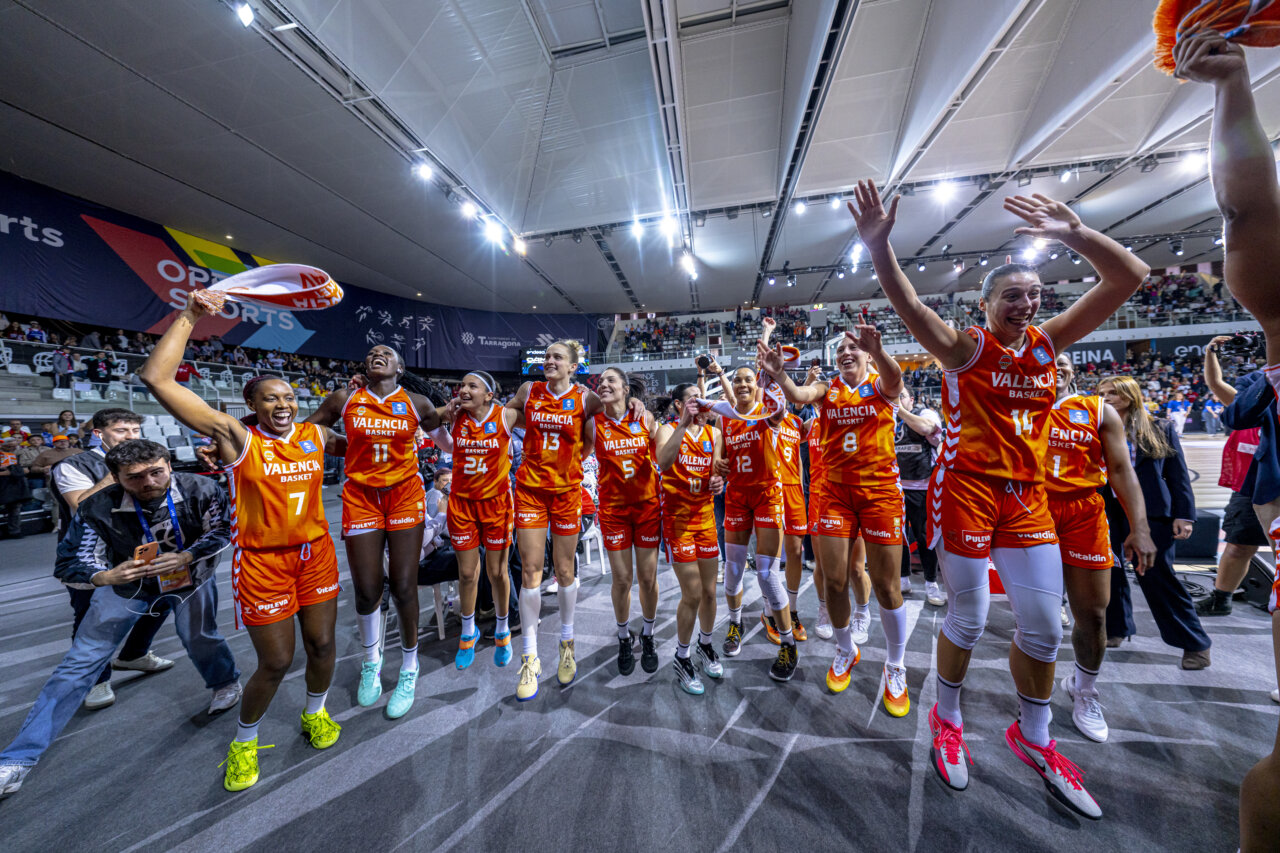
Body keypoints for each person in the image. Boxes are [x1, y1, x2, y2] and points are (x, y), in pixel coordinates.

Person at [849, 177, 1148, 818]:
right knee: (970, 617)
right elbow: (910, 307)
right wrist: (878, 247)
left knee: (1043, 626)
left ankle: (1033, 736)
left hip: (1026, 496)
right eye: (1012, 295)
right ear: (986, 304)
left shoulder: (1047, 345)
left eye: (1033, 294)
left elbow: (1130, 276)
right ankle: (947, 718)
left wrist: (1076, 234)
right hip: (964, 491)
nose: (1026, 303)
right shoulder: (965, 349)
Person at [139, 292, 346, 793]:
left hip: (316, 556)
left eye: (289, 397)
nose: (283, 404)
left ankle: (315, 712)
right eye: (270, 398)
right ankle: (245, 742)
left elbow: (372, 435)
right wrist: (191, 315)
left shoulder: (316, 436)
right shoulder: (236, 437)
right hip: (262, 563)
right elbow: (157, 379)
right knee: (276, 662)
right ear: (250, 405)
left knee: (323, 646)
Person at [0, 440, 242, 798]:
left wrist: (188, 556)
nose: (148, 483)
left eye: (156, 472)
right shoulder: (97, 506)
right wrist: (103, 576)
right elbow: (71, 561)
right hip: (126, 586)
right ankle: (16, 760)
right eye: (135, 477)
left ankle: (225, 682)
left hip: (191, 577)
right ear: (115, 477)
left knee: (199, 636)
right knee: (79, 663)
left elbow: (222, 531)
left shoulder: (202, 488)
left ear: (169, 466)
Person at [762, 325, 907, 714]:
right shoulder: (828, 389)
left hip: (879, 494)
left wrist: (878, 350)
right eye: (841, 348)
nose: (846, 352)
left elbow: (895, 378)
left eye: (853, 347)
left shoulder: (881, 385)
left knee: (886, 586)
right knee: (835, 581)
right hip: (835, 495)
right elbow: (799, 395)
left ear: (868, 354)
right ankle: (845, 650)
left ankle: (896, 665)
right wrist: (780, 374)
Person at [309, 344, 445, 720]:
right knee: (368, 589)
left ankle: (409, 667)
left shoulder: (416, 402)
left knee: (403, 586)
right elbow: (308, 430)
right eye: (371, 353)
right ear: (365, 366)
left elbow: (446, 437)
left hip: (404, 497)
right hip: (361, 498)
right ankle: (372, 661)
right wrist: (340, 445)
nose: (377, 354)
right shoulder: (345, 398)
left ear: (400, 367)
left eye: (386, 352)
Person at [1047, 357, 1155, 743]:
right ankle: (1033, 700)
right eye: (1044, 358)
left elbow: (1122, 470)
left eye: (1060, 359)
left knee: (1093, 615)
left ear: (1072, 370)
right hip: (1031, 511)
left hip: (1084, 514)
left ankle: (1085, 689)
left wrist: (1140, 527)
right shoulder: (1013, 406)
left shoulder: (1097, 410)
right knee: (1038, 620)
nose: (1052, 364)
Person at [506, 340, 620, 700]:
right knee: (530, 571)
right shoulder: (529, 390)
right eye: (547, 356)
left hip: (567, 492)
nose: (549, 360)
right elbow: (508, 415)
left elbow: (599, 431)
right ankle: (529, 656)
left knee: (565, 570)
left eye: (557, 357)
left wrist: (570, 463)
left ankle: (567, 644)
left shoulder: (585, 398)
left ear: (573, 367)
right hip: (530, 491)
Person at [49, 407, 173, 710]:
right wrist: (116, 473)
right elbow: (81, 505)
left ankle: (134, 655)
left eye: (135, 431)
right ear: (99, 433)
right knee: (92, 618)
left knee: (163, 599)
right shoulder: (72, 465)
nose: (130, 437)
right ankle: (95, 679)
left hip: (139, 546)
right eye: (121, 431)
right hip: (90, 554)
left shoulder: (147, 459)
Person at [1096, 376, 1209, 669]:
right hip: (1108, 510)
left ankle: (1195, 643)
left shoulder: (1160, 427)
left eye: (1113, 392)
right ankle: (1117, 628)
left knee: (1157, 575)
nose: (1105, 397)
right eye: (1102, 393)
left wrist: (1184, 514)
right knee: (1110, 571)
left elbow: (1178, 474)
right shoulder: (1095, 428)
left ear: (1130, 395)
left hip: (1153, 512)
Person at [713, 360, 800, 682]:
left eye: (748, 379)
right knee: (733, 570)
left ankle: (788, 642)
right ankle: (735, 623)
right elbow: (720, 456)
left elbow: (781, 405)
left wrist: (772, 372)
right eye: (737, 380)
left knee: (766, 574)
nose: (742, 384)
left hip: (767, 495)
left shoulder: (768, 412)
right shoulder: (725, 419)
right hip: (737, 496)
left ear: (756, 384)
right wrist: (718, 465)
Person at [444, 371, 517, 671]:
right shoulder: (456, 416)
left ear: (488, 395)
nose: (463, 389)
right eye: (461, 385)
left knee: (497, 572)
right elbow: (425, 418)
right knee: (466, 573)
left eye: (471, 386)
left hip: (496, 503)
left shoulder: (505, 416)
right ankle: (468, 631)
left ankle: (502, 628)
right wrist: (445, 411)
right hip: (462, 504)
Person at [654, 383, 724, 694]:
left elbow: (716, 472)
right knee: (692, 594)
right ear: (680, 405)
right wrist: (683, 424)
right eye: (694, 399)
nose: (702, 403)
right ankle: (682, 657)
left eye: (703, 398)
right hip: (677, 522)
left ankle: (705, 645)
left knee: (709, 592)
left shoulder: (714, 434)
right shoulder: (667, 430)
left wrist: (719, 480)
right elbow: (663, 463)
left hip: (705, 518)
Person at [593, 368, 662, 676]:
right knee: (622, 580)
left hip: (646, 508)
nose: (603, 384)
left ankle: (648, 633)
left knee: (647, 578)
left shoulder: (645, 419)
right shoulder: (593, 423)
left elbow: (664, 457)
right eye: (600, 381)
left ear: (625, 389)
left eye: (611, 380)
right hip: (614, 511)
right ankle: (624, 636)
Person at [1199, 338, 1265, 617]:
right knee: (1239, 545)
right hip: (1252, 484)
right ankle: (1221, 599)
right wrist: (1210, 352)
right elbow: (1216, 384)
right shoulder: (1250, 404)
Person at [895, 388, 945, 606]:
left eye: (902, 396)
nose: (898, 399)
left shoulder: (926, 413)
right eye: (895, 395)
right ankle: (903, 579)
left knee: (925, 538)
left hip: (922, 487)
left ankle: (931, 583)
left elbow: (926, 428)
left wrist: (899, 409)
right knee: (898, 537)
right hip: (895, 487)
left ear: (912, 399)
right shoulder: (889, 419)